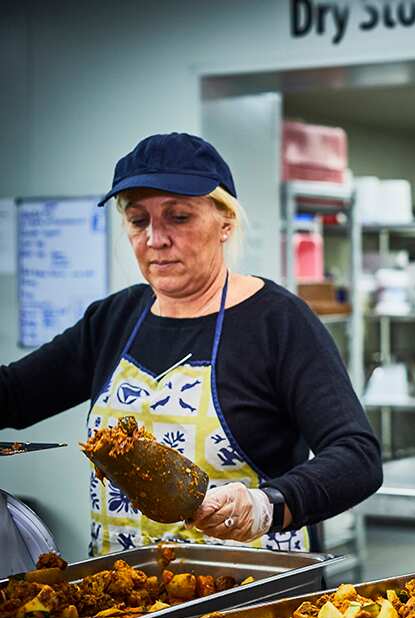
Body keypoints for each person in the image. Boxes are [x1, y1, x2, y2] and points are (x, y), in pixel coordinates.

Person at [0, 133, 382, 555]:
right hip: (122, 597)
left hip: (249, 598)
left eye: (178, 217)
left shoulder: (278, 322)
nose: (155, 239)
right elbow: (13, 396)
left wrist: (268, 503)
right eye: (138, 220)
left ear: (225, 223)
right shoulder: (113, 319)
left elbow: (357, 457)